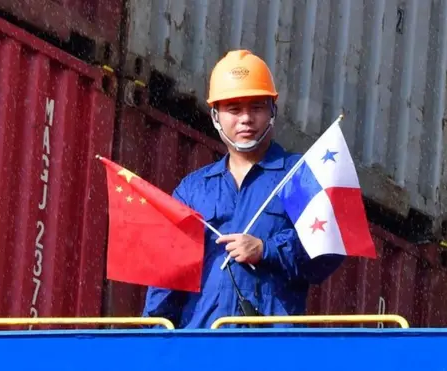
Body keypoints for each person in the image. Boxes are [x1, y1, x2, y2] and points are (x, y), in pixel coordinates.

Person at [141, 49, 345, 329]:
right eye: (234, 109)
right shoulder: (194, 190)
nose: (245, 119)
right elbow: (168, 272)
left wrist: (267, 249)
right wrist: (153, 337)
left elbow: (327, 253)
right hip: (201, 347)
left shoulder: (297, 177)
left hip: (268, 349)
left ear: (272, 111)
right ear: (215, 116)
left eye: (256, 107)